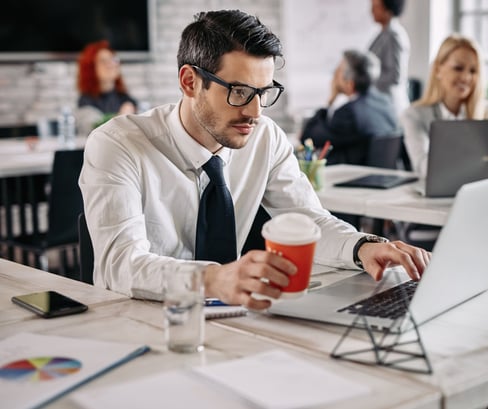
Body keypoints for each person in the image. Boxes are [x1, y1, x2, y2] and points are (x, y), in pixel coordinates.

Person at [79, 10, 430, 310]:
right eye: (240, 92)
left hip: (235, 320)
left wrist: (362, 247)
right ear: (190, 82)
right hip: (142, 323)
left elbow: (305, 219)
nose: (255, 112)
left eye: (264, 93)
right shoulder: (117, 144)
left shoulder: (265, 137)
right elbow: (119, 265)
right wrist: (213, 279)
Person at [400, 33, 488, 177]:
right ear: (437, 69)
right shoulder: (415, 115)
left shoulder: (487, 111)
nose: (466, 77)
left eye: (473, 71)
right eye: (458, 68)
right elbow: (425, 167)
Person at [300, 49, 398, 166]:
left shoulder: (348, 114)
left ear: (350, 84)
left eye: (338, 70)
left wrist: (330, 101)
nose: (334, 73)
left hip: (349, 176)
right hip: (381, 175)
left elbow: (308, 138)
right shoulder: (386, 103)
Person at [76, 40, 137, 129]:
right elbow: (96, 127)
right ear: (91, 68)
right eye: (103, 61)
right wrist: (121, 116)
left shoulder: (124, 97)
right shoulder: (86, 101)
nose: (111, 64)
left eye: (113, 59)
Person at [368, 0, 411, 116]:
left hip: (391, 106)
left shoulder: (394, 35)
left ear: (388, 9)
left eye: (375, 6)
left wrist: (366, 83)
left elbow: (394, 76)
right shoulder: (384, 33)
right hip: (382, 103)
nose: (371, 11)